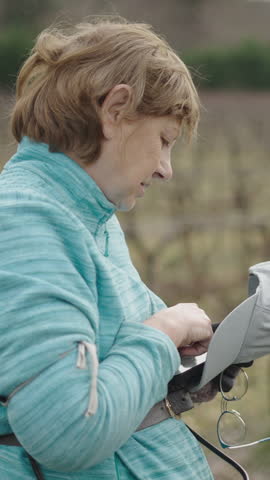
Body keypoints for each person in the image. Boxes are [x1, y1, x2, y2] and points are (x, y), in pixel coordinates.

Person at [0, 18, 217, 480]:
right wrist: (164, 331)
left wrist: (187, 370)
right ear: (116, 108)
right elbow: (68, 430)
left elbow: (113, 363)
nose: (166, 169)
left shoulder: (88, 214)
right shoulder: (24, 220)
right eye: (163, 140)